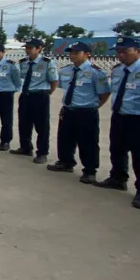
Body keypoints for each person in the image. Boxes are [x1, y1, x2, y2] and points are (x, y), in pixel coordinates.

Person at [93, 36, 140, 209]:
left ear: (138, 52)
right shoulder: (117, 70)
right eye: (118, 52)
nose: (121, 55)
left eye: (125, 52)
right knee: (117, 148)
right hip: (120, 116)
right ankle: (118, 178)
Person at [47, 41, 111, 184]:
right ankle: (66, 162)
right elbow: (64, 88)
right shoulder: (66, 70)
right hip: (69, 110)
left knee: (88, 142)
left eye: (77, 53)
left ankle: (90, 171)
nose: (72, 55)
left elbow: (104, 93)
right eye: (71, 52)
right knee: (65, 138)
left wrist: (94, 106)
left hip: (87, 112)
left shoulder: (96, 72)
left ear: (87, 54)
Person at [11, 38, 59, 164]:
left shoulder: (48, 63)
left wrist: (47, 93)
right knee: (24, 123)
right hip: (26, 95)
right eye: (26, 48)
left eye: (30, 48)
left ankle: (42, 152)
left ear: (39, 49)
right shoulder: (23, 62)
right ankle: (25, 147)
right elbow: (21, 77)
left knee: (41, 126)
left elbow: (54, 81)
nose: (27, 50)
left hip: (40, 96)